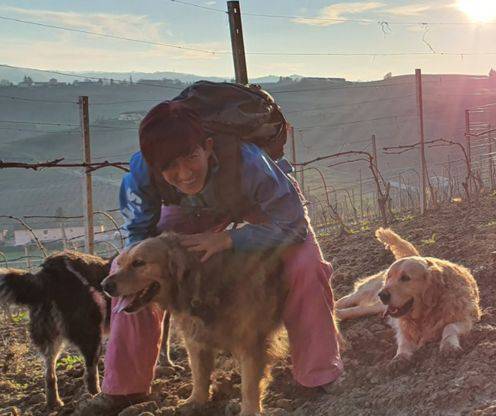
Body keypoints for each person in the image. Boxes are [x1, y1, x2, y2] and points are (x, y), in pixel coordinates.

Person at [77, 101, 343, 414]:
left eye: (191, 157)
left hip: (259, 205)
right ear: (152, 165)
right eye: (170, 166)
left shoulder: (250, 162)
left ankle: (318, 373)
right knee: (129, 271)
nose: (184, 172)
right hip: (188, 210)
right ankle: (124, 387)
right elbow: (138, 235)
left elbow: (293, 226)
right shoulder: (140, 175)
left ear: (208, 146)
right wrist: (154, 263)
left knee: (306, 267)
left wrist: (230, 239)